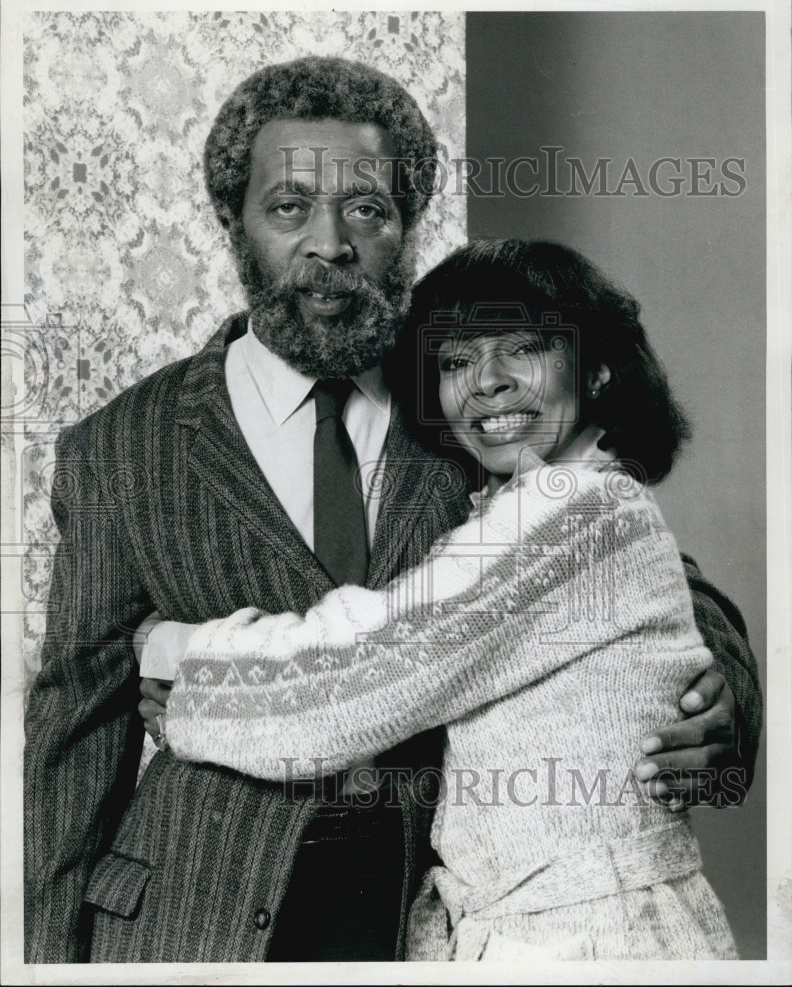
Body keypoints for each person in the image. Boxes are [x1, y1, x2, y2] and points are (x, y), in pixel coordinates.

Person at [24, 56, 760, 965]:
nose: (329, 242)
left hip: (422, 914)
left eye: (367, 209)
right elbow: (72, 735)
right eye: (289, 206)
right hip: (192, 913)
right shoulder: (120, 449)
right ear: (233, 225)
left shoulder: (473, 414)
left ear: (405, 228)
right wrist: (43, 967)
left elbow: (654, 581)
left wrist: (725, 694)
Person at [137, 240, 745, 960]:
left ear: (600, 367)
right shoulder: (541, 505)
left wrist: (173, 655)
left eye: (521, 349)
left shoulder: (576, 508)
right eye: (456, 362)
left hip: (593, 946)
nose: (485, 383)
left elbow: (355, 678)